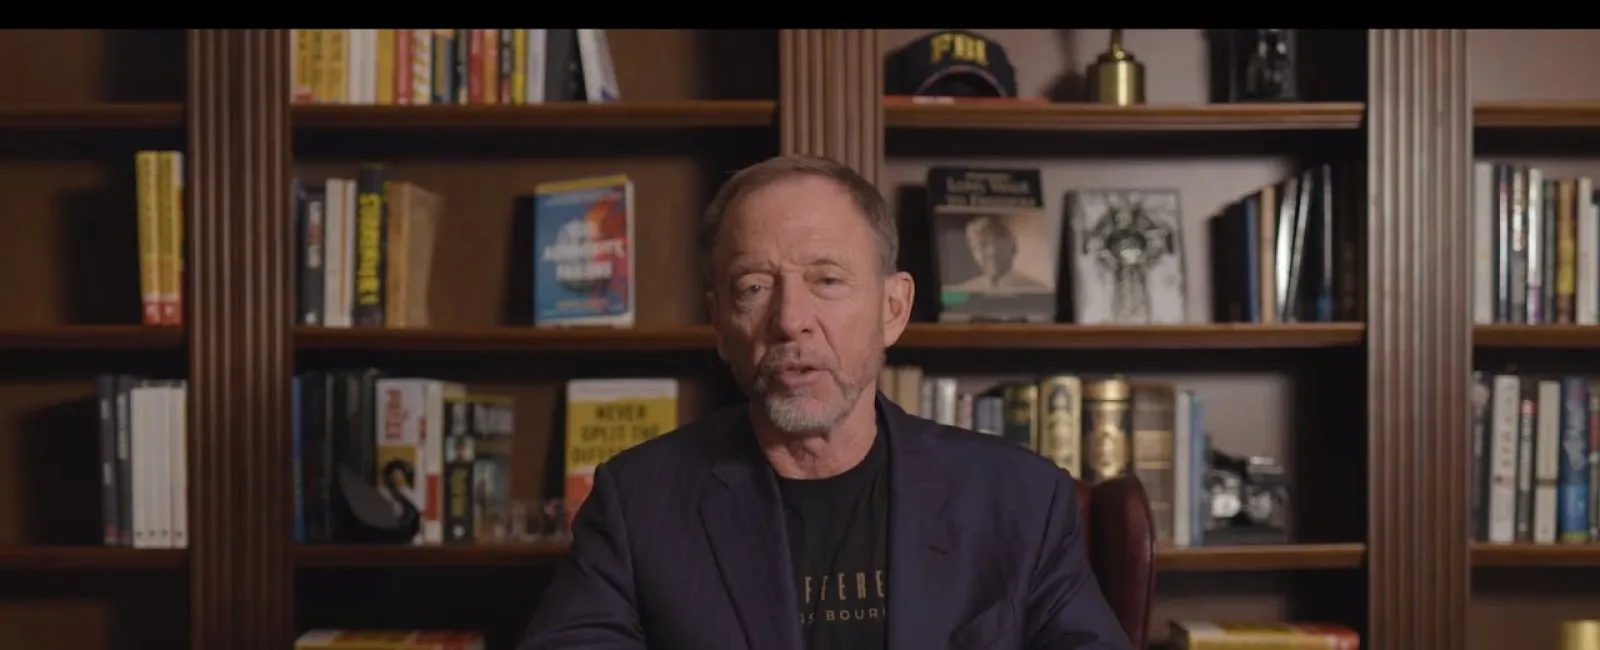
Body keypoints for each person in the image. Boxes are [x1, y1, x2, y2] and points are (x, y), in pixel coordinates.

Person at [517, 154, 1131, 650]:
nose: (790, 319)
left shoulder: (1021, 500)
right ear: (720, 324)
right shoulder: (638, 503)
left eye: (827, 280)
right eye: (753, 287)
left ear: (893, 308)